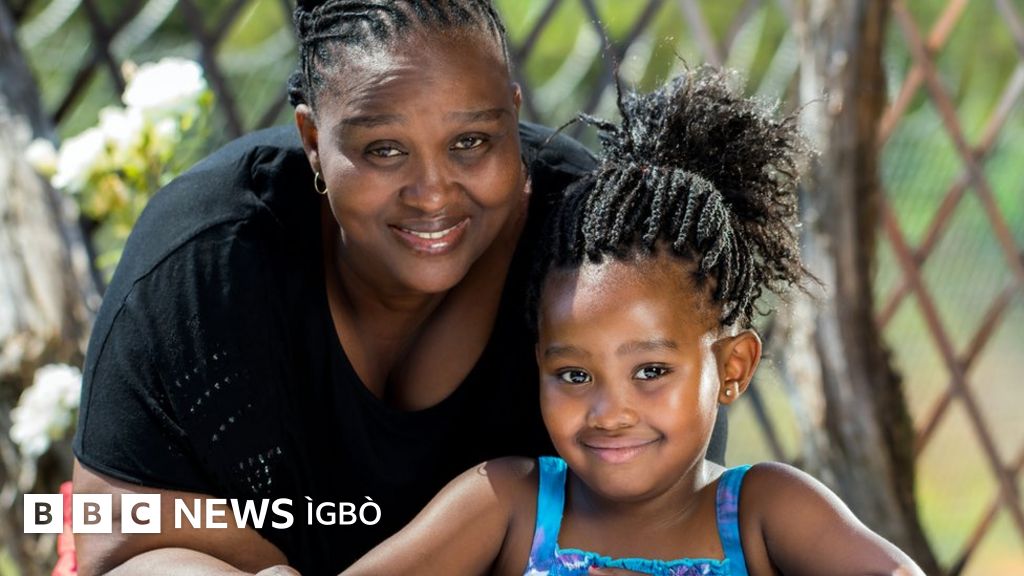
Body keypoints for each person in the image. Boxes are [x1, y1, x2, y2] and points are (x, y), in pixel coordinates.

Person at [71, 2, 727, 575]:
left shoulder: (607, 258)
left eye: (472, 141)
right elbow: (120, 541)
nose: (432, 194)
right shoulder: (203, 265)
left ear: (513, 113)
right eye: (384, 149)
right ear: (312, 141)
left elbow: (663, 532)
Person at [340, 67, 926, 576]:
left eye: (650, 370)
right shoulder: (508, 504)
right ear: (538, 364)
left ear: (732, 367)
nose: (610, 412)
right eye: (574, 375)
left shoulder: (763, 510)